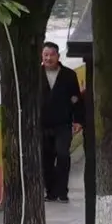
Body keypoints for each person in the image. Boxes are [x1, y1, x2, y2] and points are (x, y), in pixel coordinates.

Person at [39, 41, 83, 203]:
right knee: (46, 158)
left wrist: (78, 120)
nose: (49, 58)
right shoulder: (35, 74)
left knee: (63, 155)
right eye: (45, 55)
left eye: (52, 54)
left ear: (58, 56)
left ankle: (62, 191)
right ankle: (50, 191)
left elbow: (76, 98)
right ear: (42, 56)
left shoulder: (69, 75)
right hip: (42, 125)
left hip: (63, 124)